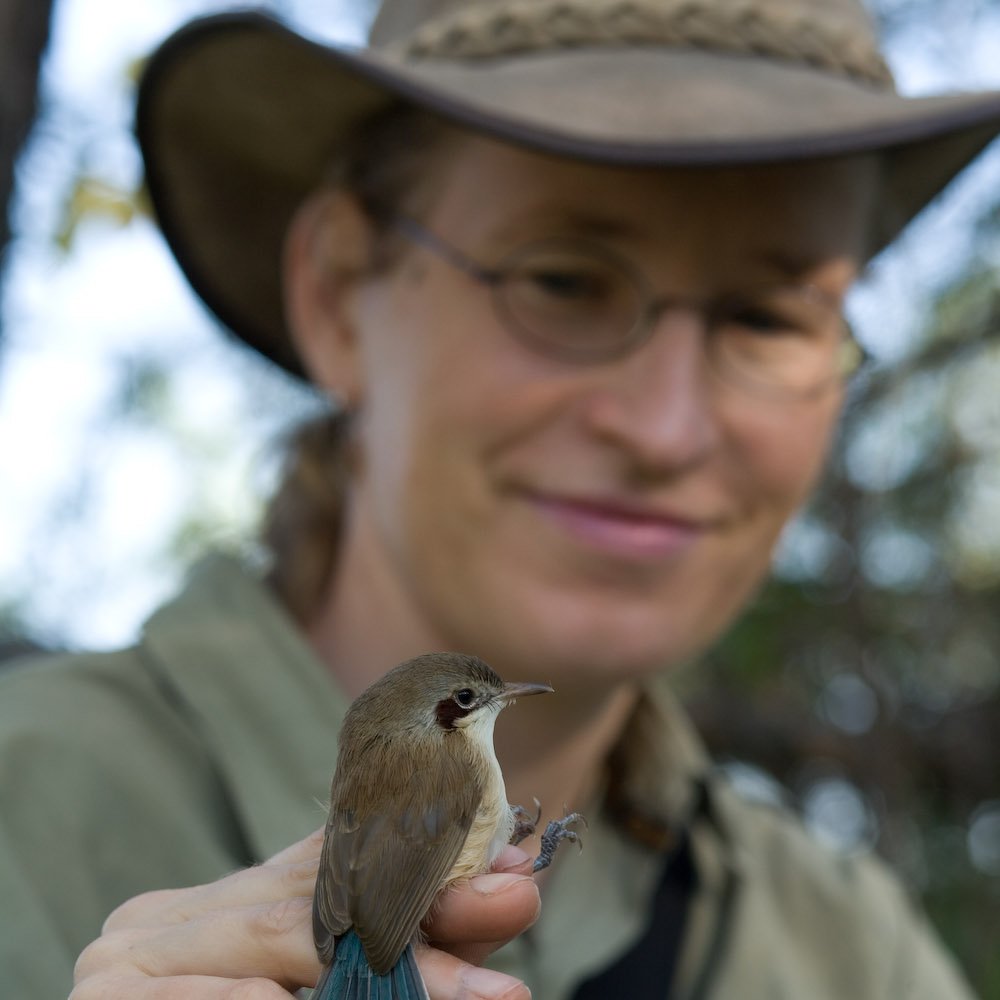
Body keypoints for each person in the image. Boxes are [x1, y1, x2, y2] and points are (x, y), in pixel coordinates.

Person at [3, 0, 1000, 997]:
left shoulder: (852, 953)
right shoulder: (27, 821)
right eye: (564, 281)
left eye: (766, 316)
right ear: (338, 292)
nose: (664, 427)